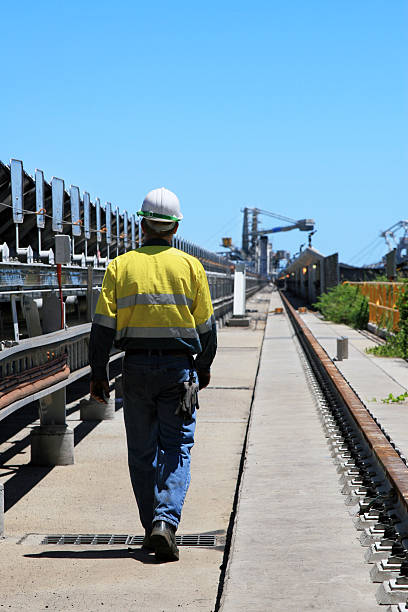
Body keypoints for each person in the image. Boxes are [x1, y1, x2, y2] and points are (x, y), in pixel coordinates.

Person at [88, 187, 217, 562]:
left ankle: (152, 526)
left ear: (142, 223)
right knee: (176, 447)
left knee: (141, 452)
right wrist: (203, 367)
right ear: (175, 227)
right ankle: (165, 523)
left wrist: (99, 374)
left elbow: (101, 328)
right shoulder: (191, 267)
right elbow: (207, 329)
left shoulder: (120, 266)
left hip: (136, 369)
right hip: (178, 370)